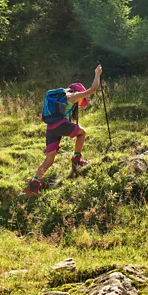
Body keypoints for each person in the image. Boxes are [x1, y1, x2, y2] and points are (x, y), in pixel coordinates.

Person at [25, 64, 102, 196]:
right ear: (78, 92)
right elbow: (93, 89)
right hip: (60, 125)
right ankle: (77, 159)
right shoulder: (73, 96)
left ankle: (33, 184)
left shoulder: (60, 98)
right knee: (82, 132)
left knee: (49, 160)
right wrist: (97, 74)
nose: (82, 101)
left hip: (51, 129)